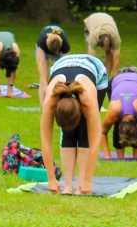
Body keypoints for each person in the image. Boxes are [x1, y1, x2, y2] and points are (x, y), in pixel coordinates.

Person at [39, 54, 109, 195]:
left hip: (95, 69)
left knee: (84, 131)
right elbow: (46, 142)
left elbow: (95, 141)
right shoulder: (50, 102)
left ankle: (81, 185)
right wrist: (51, 178)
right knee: (68, 133)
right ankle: (68, 186)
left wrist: (88, 180)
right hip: (61, 65)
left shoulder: (87, 101)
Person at [35, 25, 70, 104]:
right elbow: (41, 63)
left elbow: (65, 65)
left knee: (60, 77)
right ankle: (43, 105)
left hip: (58, 52)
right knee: (43, 79)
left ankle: (59, 102)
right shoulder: (42, 41)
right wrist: (44, 83)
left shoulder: (65, 44)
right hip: (43, 51)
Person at [0, 30, 21, 97]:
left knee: (10, 67)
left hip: (9, 34)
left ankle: (9, 90)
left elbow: (13, 69)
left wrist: (11, 90)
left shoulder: (16, 51)